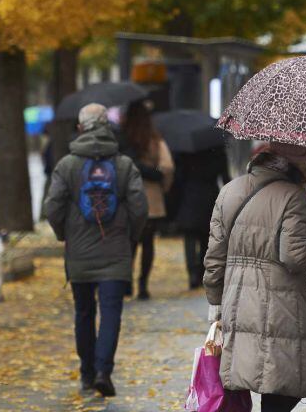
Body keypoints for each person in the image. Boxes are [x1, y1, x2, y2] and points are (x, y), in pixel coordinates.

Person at [204, 142, 306, 412]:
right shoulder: (294, 196)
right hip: (279, 299)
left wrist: (215, 300)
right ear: (295, 162)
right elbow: (295, 256)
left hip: (237, 297)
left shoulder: (230, 190)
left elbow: (214, 253)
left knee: (275, 384)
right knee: (291, 382)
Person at [45, 104, 148, 397]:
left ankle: (87, 372)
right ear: (107, 127)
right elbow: (140, 207)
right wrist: (131, 237)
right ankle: (104, 370)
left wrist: (64, 234)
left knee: (84, 312)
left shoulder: (67, 165)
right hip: (115, 250)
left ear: (80, 128)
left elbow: (52, 206)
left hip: (78, 251)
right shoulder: (124, 165)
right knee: (111, 312)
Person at [120, 101, 174, 300]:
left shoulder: (123, 138)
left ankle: (127, 283)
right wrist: (163, 186)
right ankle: (143, 285)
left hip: (128, 197)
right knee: (148, 243)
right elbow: (167, 166)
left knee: (130, 242)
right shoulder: (154, 139)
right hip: (152, 198)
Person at [173, 146, 230, 289]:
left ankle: (192, 273)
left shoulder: (185, 150)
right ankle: (200, 273)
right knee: (205, 237)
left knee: (190, 237)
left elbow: (179, 176)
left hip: (189, 195)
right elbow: (225, 177)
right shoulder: (216, 150)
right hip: (209, 196)